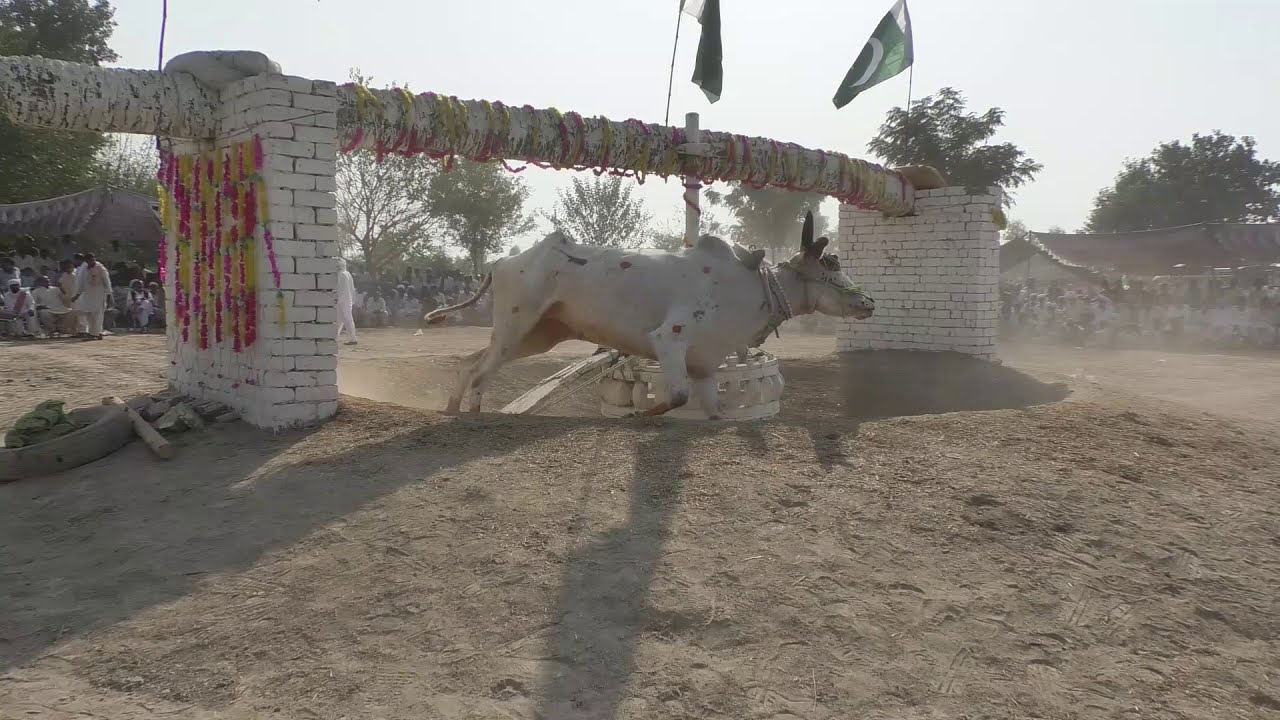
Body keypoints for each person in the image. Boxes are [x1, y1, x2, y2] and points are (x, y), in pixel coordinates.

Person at [72, 253, 112, 340]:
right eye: (88, 260)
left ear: (94, 259)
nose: (90, 262)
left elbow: (107, 281)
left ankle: (95, 334)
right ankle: (95, 333)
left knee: (98, 315)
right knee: (89, 315)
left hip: (99, 295)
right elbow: (81, 282)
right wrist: (77, 295)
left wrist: (109, 294)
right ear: (85, 261)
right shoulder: (84, 268)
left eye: (92, 260)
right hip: (87, 296)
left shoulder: (100, 268)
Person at [335, 256, 358, 345]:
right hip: (347, 300)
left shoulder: (341, 274)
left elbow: (340, 289)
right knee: (340, 320)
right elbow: (352, 289)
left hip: (342, 300)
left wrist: (337, 298)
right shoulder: (347, 273)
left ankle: (353, 339)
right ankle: (335, 338)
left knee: (346, 319)